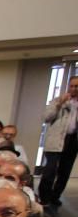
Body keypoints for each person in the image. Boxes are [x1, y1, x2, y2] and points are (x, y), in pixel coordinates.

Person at [37, 76, 78, 206]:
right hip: (56, 140)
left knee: (64, 172)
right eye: (72, 86)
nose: (74, 89)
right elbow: (46, 118)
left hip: (72, 141)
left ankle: (55, 196)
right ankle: (44, 197)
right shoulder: (57, 101)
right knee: (50, 170)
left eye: (77, 86)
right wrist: (59, 104)